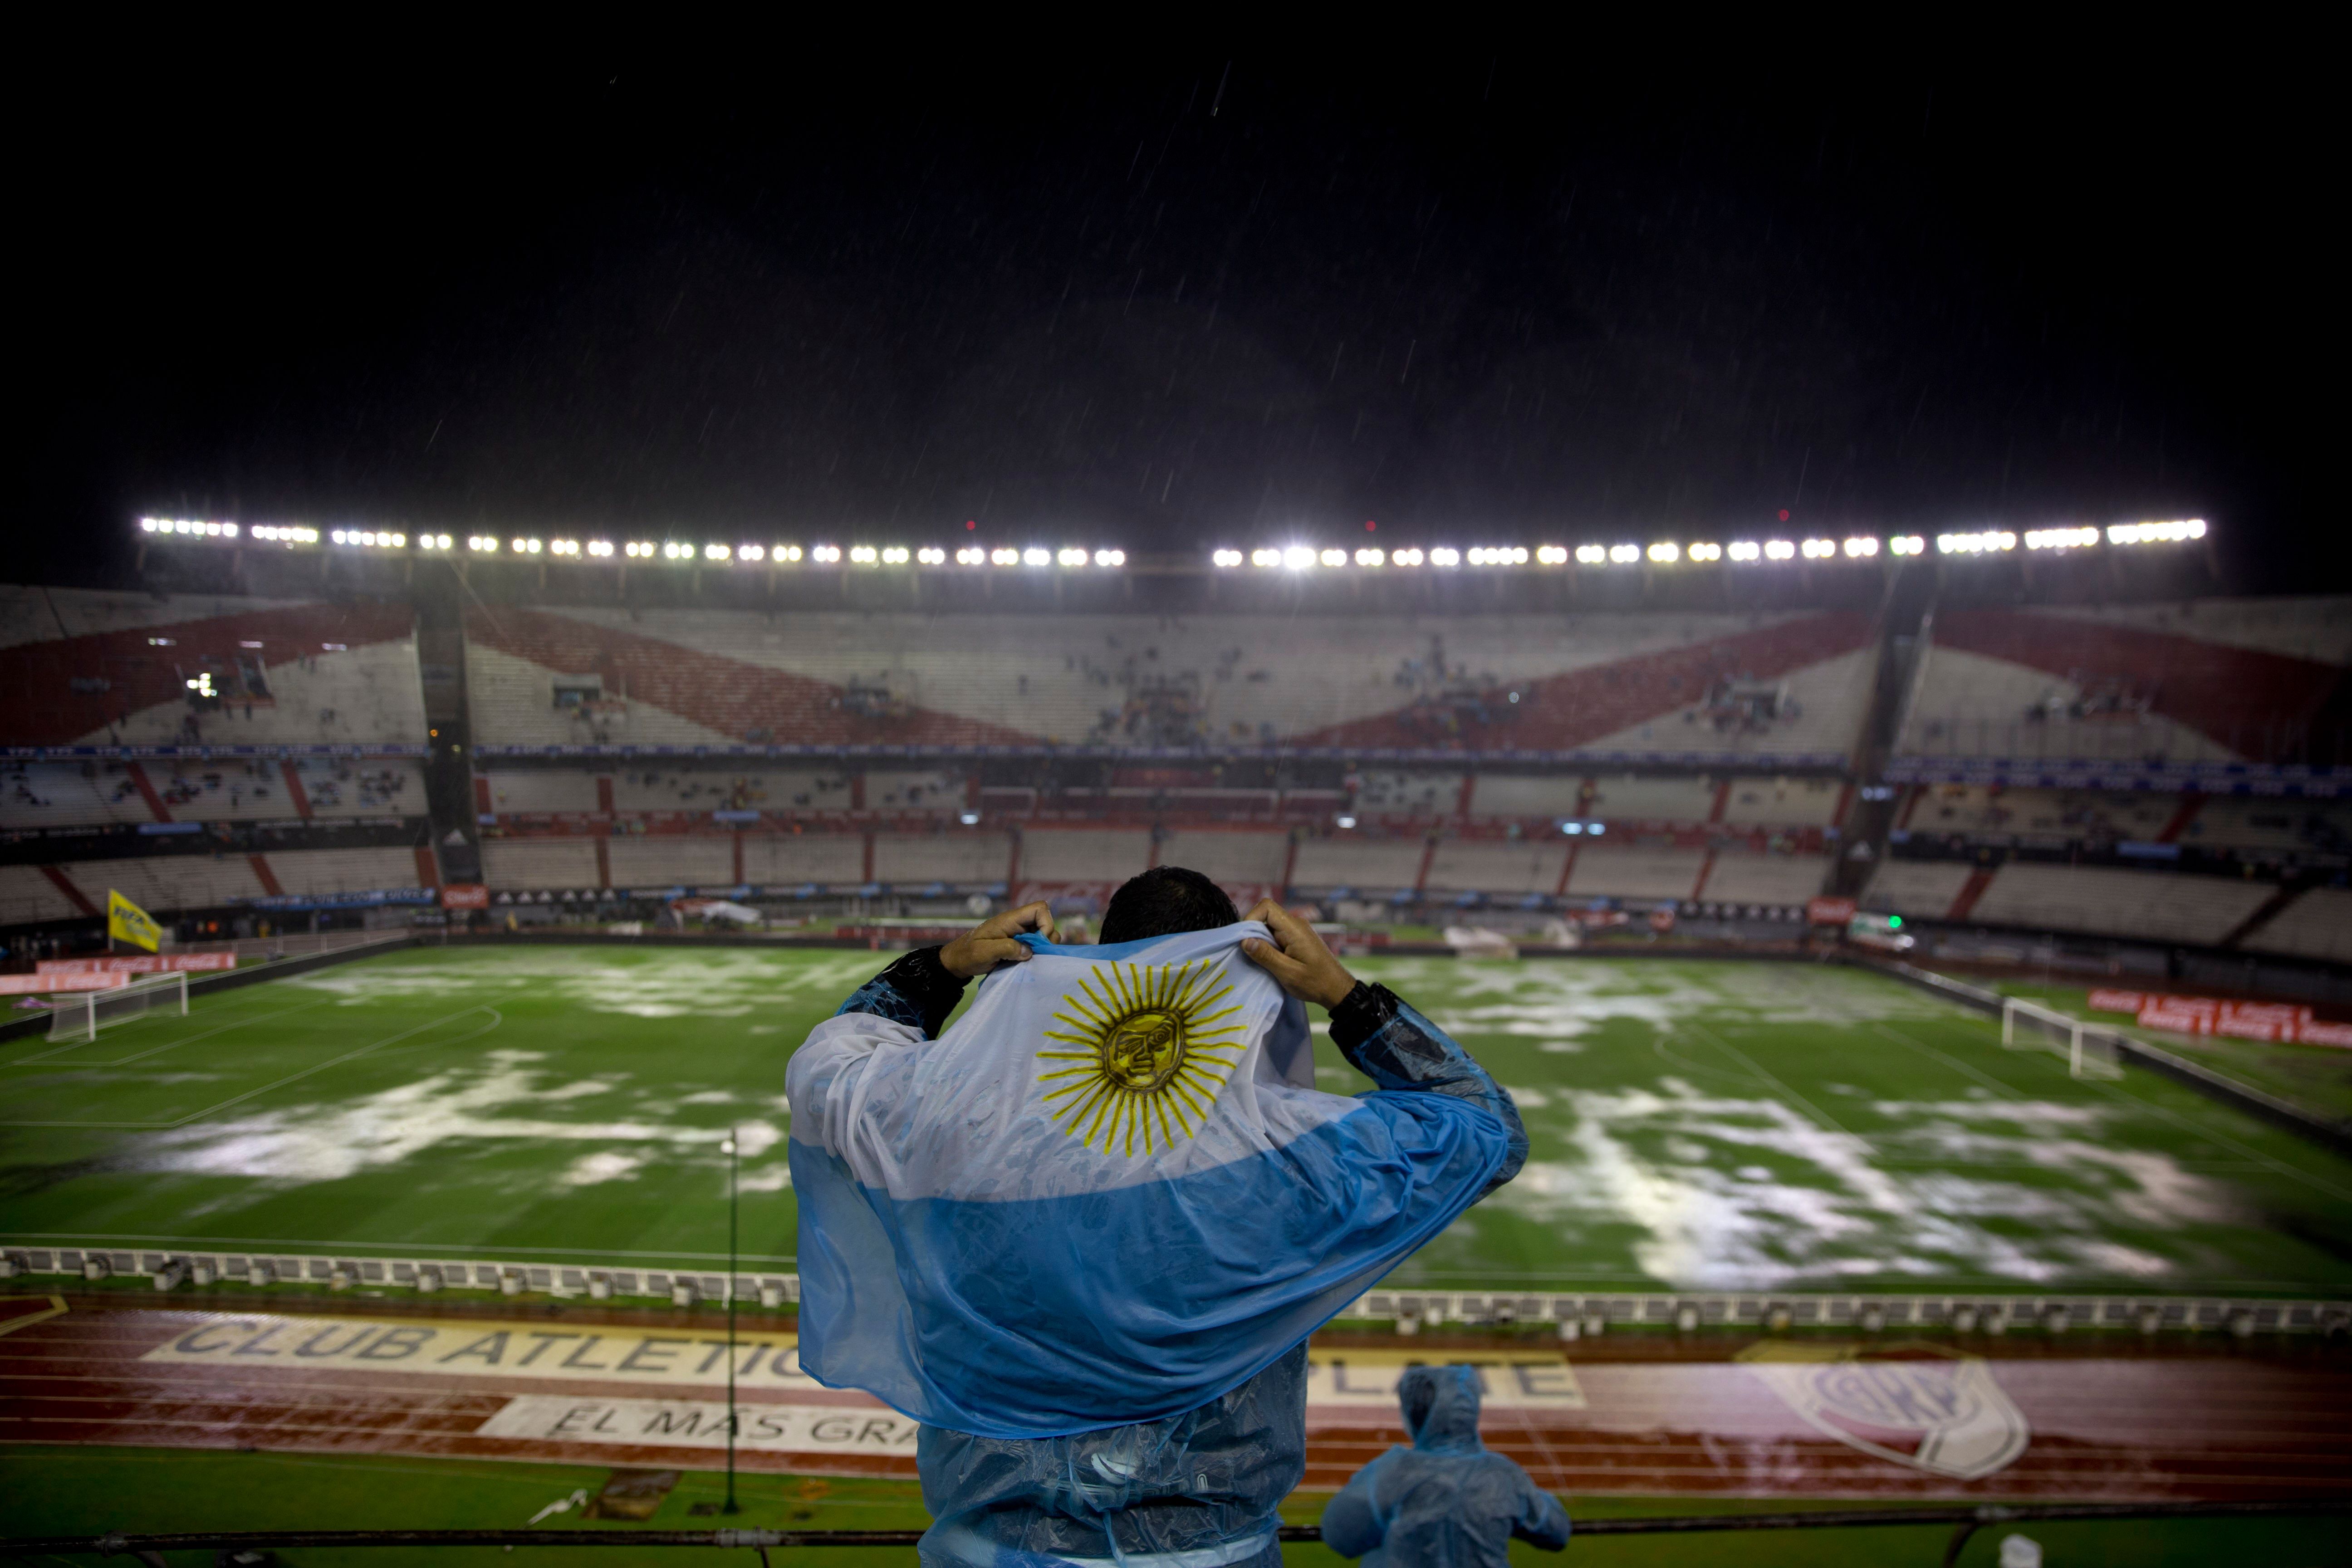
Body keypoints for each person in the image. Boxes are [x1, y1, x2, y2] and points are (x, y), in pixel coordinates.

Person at [788, 867, 1527, 1568]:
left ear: (1099, 972)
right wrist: (1343, 995)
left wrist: (940, 966)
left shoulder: (950, 1124)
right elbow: (1483, 1125)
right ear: (1244, 978)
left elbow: (830, 1072)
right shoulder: (1295, 1154)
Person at [1319, 1364, 1570, 1568]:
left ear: (1412, 1414)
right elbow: (1556, 1531)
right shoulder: (1503, 1474)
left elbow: (1339, 1535)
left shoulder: (1394, 1471)